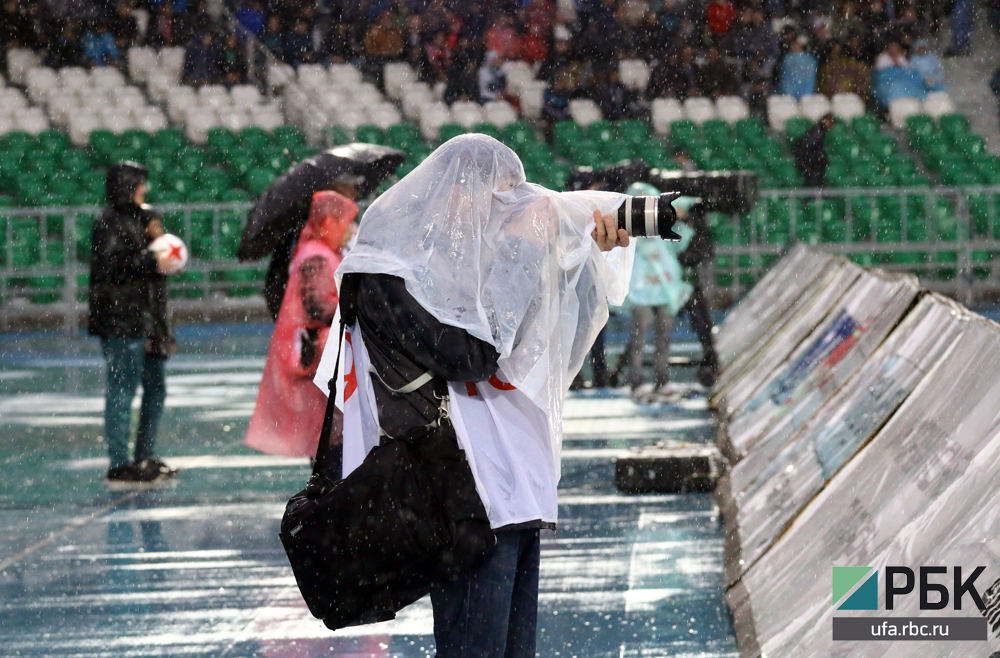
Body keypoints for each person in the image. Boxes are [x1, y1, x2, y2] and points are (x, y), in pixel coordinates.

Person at [331, 134, 635, 657]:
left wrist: (571, 248)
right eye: (500, 193)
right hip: (461, 494)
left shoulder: (472, 266)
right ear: (454, 192)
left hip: (513, 487)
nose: (510, 207)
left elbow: (531, 347)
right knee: (477, 647)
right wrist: (524, 247)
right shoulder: (387, 274)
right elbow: (469, 355)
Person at [245, 192, 356, 459]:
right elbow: (319, 305)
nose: (350, 229)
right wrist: (358, 308)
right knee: (328, 435)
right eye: (347, 222)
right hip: (320, 353)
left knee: (327, 432)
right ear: (329, 221)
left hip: (321, 351)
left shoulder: (321, 252)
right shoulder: (317, 257)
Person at [89, 162, 178, 488]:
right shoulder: (108, 222)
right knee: (122, 390)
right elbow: (111, 267)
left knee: (155, 389)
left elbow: (156, 273)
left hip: (147, 321)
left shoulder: (145, 219)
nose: (145, 190)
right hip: (121, 322)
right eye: (140, 184)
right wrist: (152, 258)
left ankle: (144, 456)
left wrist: (161, 245)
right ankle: (119, 464)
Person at [611, 183, 694, 399]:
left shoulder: (662, 226)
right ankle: (637, 383)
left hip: (664, 289)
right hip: (642, 290)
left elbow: (678, 246)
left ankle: (662, 381)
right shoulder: (626, 229)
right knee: (639, 339)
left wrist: (682, 220)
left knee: (663, 338)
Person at [794, 113, 836, 187]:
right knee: (814, 185)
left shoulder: (817, 132)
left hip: (813, 165)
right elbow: (809, 148)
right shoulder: (817, 133)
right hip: (812, 165)